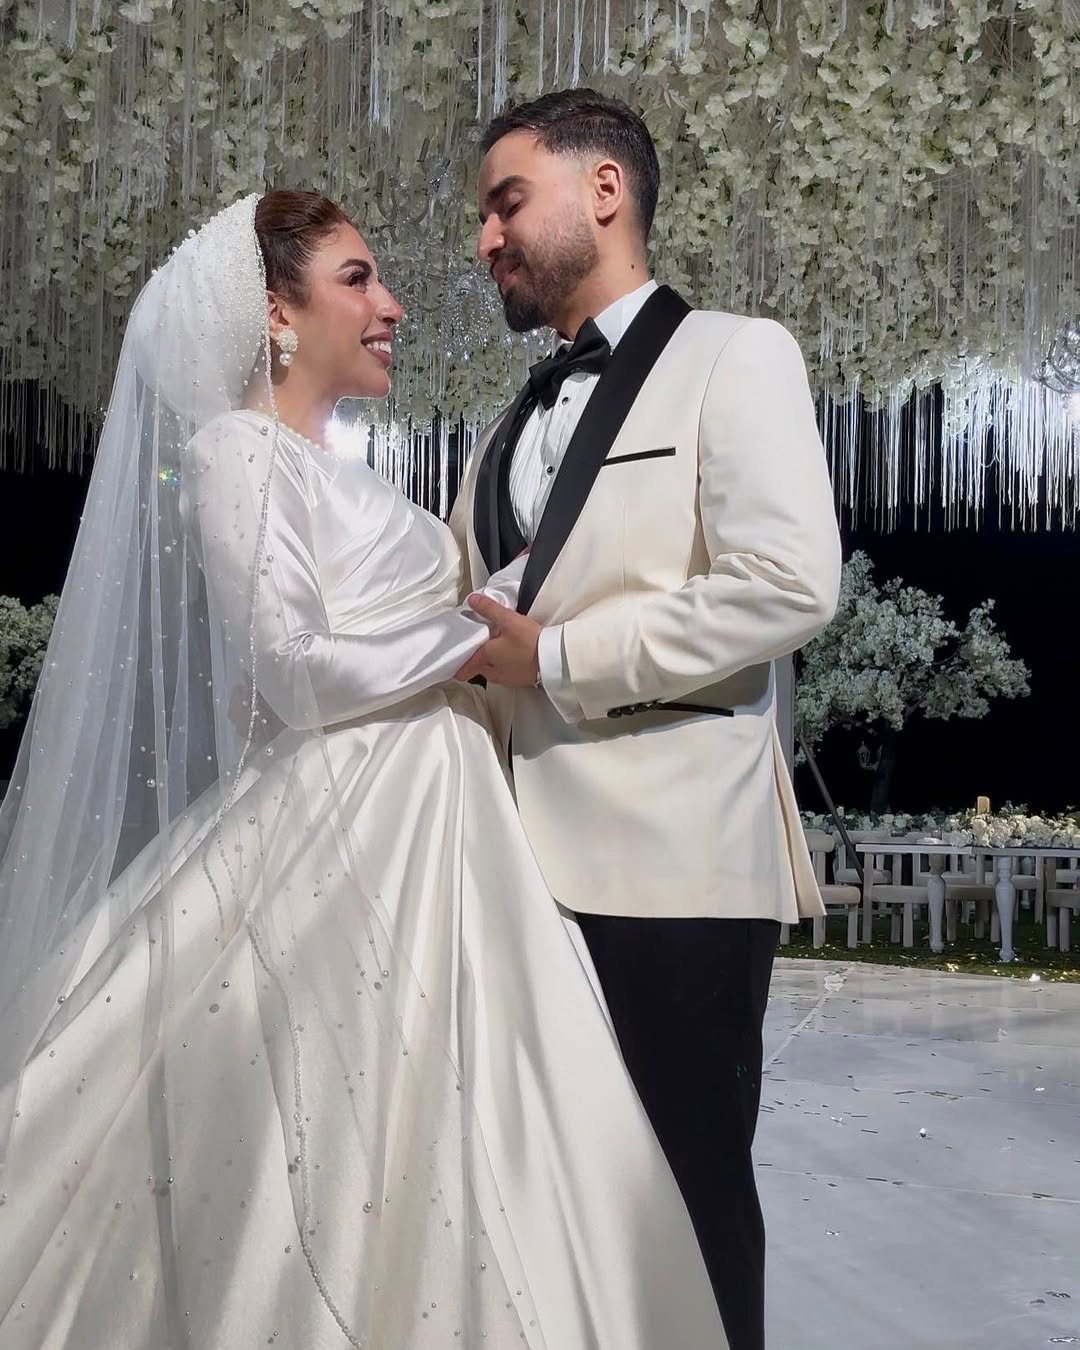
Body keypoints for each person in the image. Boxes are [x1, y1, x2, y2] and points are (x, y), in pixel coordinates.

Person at [0, 190, 728, 1347]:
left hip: (436, 812)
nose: (391, 306)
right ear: (276, 313)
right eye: (357, 279)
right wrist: (480, 632)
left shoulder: (326, 467)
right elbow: (293, 672)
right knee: (349, 1139)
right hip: (352, 832)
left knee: (483, 1126)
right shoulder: (233, 454)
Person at [451, 89, 843, 1350]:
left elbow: (789, 584)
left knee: (681, 1198)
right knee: (540, 1206)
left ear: (604, 190)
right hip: (509, 872)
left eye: (507, 202)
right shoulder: (503, 429)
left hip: (674, 865)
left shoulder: (738, 354)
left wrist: (558, 657)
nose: (486, 238)